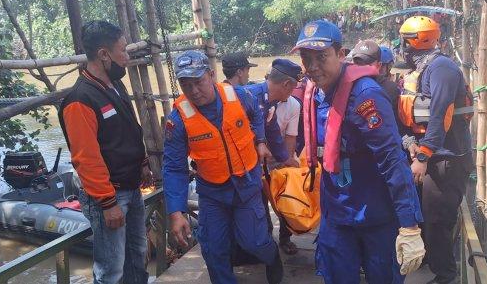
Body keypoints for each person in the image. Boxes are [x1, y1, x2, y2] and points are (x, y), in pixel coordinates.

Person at [293, 19, 425, 283]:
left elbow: (391, 159)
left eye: (322, 57)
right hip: (337, 213)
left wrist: (409, 224)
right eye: (307, 59)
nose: (314, 67)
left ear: (341, 55)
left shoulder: (366, 96)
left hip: (374, 213)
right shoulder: (313, 94)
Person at [163, 50, 284, 284]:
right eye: (186, 85)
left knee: (255, 242)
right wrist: (175, 212)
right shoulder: (177, 120)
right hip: (212, 193)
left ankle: (272, 256)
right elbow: (173, 167)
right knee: (213, 248)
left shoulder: (240, 96)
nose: (194, 91)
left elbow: (257, 117)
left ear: (211, 74)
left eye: (198, 82)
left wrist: (260, 141)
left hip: (247, 184)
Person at [58, 20, 151, 284]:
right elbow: (86, 158)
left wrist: (142, 161)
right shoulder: (80, 100)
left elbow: (130, 127)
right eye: (122, 51)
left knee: (137, 257)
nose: (127, 57)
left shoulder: (114, 85)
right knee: (111, 270)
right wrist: (108, 204)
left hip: (131, 187)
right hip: (109, 195)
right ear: (103, 54)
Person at [397, 16, 474, 284]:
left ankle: (446, 274)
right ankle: (432, 259)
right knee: (425, 213)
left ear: (415, 43)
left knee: (437, 219)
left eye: (404, 42)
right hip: (432, 155)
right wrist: (411, 145)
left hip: (446, 160)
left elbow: (440, 117)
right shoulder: (422, 70)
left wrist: (422, 156)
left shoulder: (442, 69)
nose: (401, 48)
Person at [244, 59, 304, 255]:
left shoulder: (271, 103)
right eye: (293, 88)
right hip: (250, 164)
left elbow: (276, 134)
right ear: (286, 85)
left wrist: (286, 161)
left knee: (285, 198)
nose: (292, 92)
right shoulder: (251, 98)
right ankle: (266, 244)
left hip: (273, 159)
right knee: (259, 206)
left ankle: (281, 240)